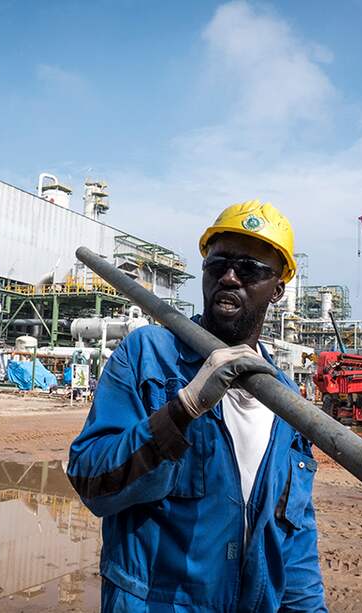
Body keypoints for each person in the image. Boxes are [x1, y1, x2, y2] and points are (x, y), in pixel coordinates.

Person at [68, 201, 326, 611]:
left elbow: (294, 542)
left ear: (277, 289)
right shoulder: (148, 356)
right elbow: (91, 481)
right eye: (217, 264)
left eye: (249, 269)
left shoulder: (287, 402)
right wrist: (182, 409)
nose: (229, 277)